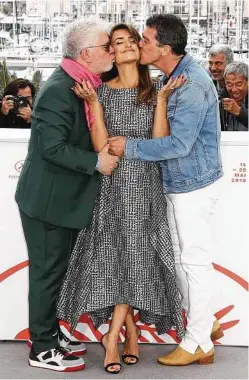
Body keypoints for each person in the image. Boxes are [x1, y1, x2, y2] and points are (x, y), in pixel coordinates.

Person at [57, 23, 185, 374]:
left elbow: (159, 143)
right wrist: (95, 105)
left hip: (145, 189)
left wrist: (160, 100)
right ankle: (128, 331)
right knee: (118, 262)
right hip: (112, 188)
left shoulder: (157, 88)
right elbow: (101, 147)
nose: (127, 45)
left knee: (137, 260)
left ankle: (111, 337)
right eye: (119, 42)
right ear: (111, 51)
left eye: (131, 40)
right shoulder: (102, 91)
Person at [108, 14, 224, 366]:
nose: (139, 44)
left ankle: (198, 342)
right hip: (180, 184)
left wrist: (129, 147)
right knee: (179, 258)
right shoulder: (174, 77)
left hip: (192, 185)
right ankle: (208, 322)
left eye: (145, 40)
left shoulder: (189, 84)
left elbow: (179, 145)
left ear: (164, 48)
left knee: (194, 262)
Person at [15, 18, 119, 372]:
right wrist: (97, 162)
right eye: (108, 47)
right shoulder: (61, 88)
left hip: (60, 200)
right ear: (87, 54)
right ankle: (42, 348)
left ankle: (47, 334)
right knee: (46, 275)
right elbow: (52, 148)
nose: (113, 52)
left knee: (55, 273)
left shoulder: (80, 82)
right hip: (48, 202)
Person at [220, 61, 248, 131]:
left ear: (247, 82)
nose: (234, 89)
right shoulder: (220, 99)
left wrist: (239, 112)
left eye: (239, 84)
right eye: (229, 84)